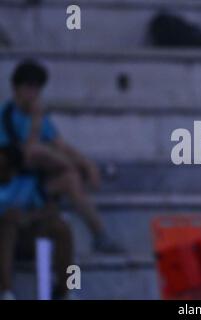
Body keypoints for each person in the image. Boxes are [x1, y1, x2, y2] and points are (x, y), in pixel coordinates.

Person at [0, 60, 120, 252]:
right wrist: (36, 121)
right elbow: (27, 155)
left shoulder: (39, 117)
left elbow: (60, 144)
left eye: (37, 88)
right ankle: (73, 168)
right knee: (40, 152)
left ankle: (100, 236)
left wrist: (88, 163)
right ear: (16, 88)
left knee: (70, 179)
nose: (33, 94)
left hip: (33, 186)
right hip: (10, 187)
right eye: (28, 87)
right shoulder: (5, 115)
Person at [0, 146, 74, 300]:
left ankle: (67, 289)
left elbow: (48, 209)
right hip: (3, 237)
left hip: (25, 237)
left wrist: (27, 218)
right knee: (8, 222)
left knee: (62, 228)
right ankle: (6, 291)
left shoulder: (28, 183)